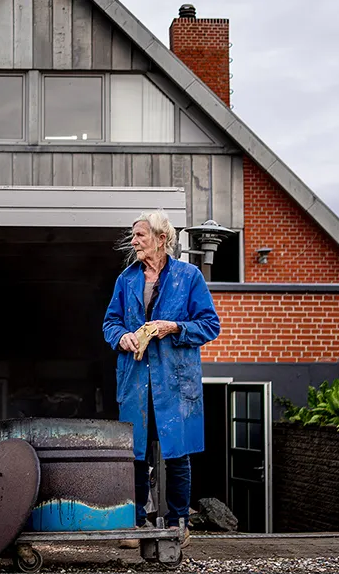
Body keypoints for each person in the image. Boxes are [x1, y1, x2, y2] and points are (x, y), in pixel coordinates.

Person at [102, 210, 221, 549]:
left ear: (161, 239)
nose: (134, 241)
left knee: (177, 455)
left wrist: (174, 327)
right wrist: (121, 337)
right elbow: (110, 323)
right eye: (134, 235)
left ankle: (178, 524)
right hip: (136, 380)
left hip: (174, 382)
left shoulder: (189, 276)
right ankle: (136, 523)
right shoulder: (126, 279)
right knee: (135, 455)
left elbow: (210, 325)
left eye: (140, 235)